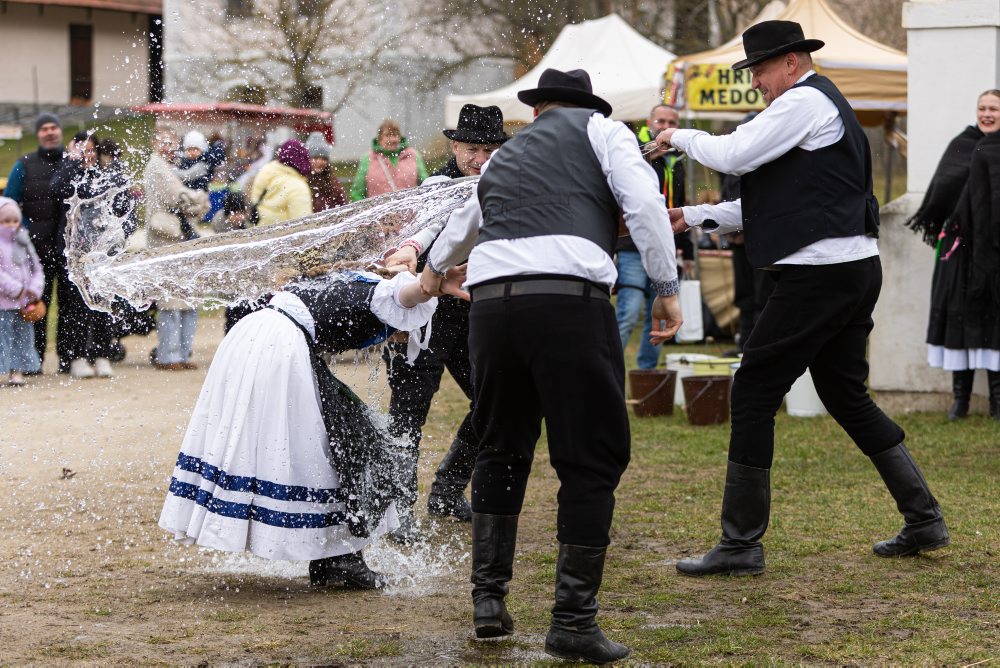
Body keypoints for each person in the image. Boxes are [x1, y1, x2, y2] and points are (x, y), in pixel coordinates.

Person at [656, 20, 949, 578]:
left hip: (820, 275)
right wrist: (691, 216)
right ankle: (924, 517)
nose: (756, 82)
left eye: (760, 70)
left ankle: (741, 544)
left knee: (754, 389)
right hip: (845, 270)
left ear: (791, 61)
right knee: (845, 394)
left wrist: (678, 136)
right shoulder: (807, 110)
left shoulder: (804, 102)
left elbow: (733, 156)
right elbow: (776, 201)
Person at [419, 68, 682, 663]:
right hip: (567, 299)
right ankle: (572, 621)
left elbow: (465, 223)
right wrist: (666, 285)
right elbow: (643, 203)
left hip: (494, 309)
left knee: (501, 445)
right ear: (586, 104)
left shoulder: (506, 156)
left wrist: (433, 274)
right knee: (591, 454)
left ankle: (489, 603)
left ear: (537, 110)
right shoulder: (604, 131)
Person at [158, 266, 469, 589]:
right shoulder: (385, 295)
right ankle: (340, 560)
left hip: (254, 337)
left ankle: (337, 558)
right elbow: (407, 294)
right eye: (407, 332)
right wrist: (431, 285)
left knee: (338, 440)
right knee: (336, 447)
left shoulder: (353, 281)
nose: (400, 339)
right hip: (279, 347)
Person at [381, 104, 509, 539]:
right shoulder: (438, 186)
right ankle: (398, 510)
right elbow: (426, 227)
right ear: (455, 146)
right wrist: (411, 252)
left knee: (496, 401)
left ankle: (448, 491)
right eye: (472, 149)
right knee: (408, 413)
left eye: (490, 150)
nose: (480, 159)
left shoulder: (505, 186)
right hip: (425, 313)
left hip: (478, 313)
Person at [908, 90, 1000, 419]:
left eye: (994, 109)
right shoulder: (963, 144)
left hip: (995, 250)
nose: (987, 114)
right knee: (958, 317)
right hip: (961, 251)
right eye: (982, 108)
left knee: (995, 319)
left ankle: (997, 402)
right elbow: (943, 190)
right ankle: (959, 399)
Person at [50, 132, 136, 378]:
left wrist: (119, 236)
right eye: (81, 151)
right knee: (74, 307)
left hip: (102, 255)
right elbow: (56, 189)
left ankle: (101, 354)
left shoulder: (106, 177)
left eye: (90, 151)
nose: (87, 156)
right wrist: (73, 161)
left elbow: (124, 208)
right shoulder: (68, 174)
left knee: (102, 304)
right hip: (74, 254)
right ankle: (74, 357)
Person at [617, 104, 693, 368]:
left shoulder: (677, 160)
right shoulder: (632, 151)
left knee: (658, 312)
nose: (664, 125)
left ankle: (647, 376)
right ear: (649, 122)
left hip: (666, 246)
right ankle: (610, 370)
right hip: (631, 246)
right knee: (629, 311)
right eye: (660, 120)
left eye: (671, 121)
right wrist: (651, 155)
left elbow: (680, 208)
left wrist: (687, 250)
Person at [143, 127, 210, 371]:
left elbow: (183, 201)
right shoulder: (158, 168)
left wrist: (195, 202)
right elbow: (178, 197)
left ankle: (180, 352)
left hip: (177, 238)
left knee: (186, 299)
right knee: (172, 301)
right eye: (163, 142)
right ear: (154, 143)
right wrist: (200, 199)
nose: (168, 147)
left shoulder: (172, 168)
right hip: (166, 240)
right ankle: (170, 354)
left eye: (172, 142)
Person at [3, 113, 65, 367]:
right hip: (33, 249)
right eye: (44, 129)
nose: (49, 132)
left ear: (60, 131)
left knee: (70, 306)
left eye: (54, 128)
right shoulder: (24, 165)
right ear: (38, 133)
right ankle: (32, 362)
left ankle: (69, 358)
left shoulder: (71, 162)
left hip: (66, 247)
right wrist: (22, 232)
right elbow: (9, 204)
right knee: (35, 304)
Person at [0, 198, 44, 386]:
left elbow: (36, 267)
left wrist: (34, 288)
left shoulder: (23, 240)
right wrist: (15, 289)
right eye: (6, 221)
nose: (11, 225)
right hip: (4, 301)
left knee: (22, 336)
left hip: (24, 302)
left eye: (15, 221)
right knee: (3, 337)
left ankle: (17, 370)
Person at [350, 119, 428, 201]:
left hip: (409, 212)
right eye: (388, 135)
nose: (392, 140)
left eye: (395, 135)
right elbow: (357, 193)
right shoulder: (368, 158)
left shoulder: (413, 155)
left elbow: (425, 185)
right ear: (380, 139)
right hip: (380, 212)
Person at [249, 139, 313, 226]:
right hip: (284, 236)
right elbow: (304, 226)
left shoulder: (266, 171)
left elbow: (255, 199)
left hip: (260, 233)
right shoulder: (298, 187)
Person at [304, 132, 348, 212]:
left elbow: (343, 207)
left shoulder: (333, 182)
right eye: (316, 158)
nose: (320, 162)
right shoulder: (302, 180)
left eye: (324, 158)